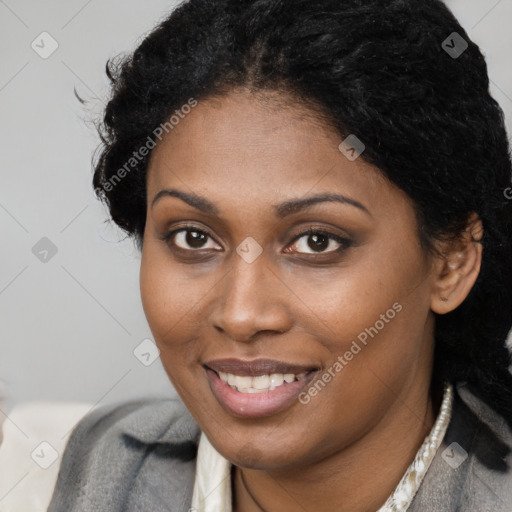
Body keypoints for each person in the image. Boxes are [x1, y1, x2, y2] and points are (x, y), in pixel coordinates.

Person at [47, 0, 512, 510]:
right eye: (193, 237)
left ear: (451, 262)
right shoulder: (102, 464)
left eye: (317, 241)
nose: (242, 315)